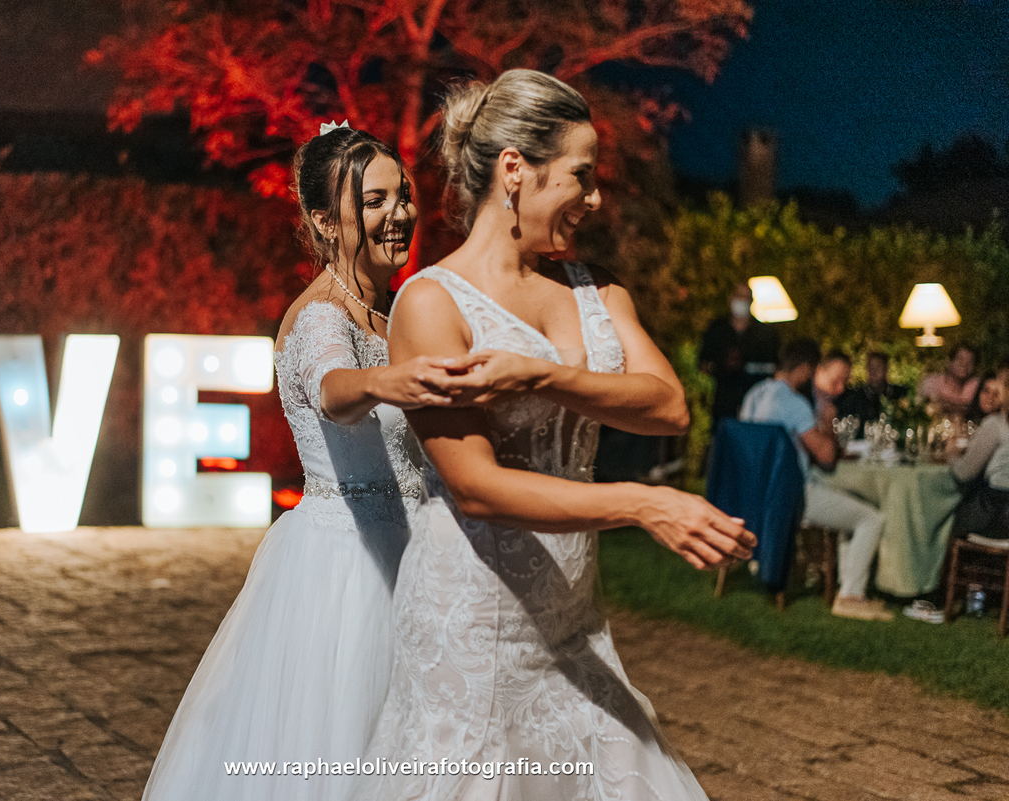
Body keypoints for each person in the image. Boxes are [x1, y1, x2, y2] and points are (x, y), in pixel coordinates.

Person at [359, 69, 755, 801]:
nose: (596, 197)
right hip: (471, 620)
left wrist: (539, 375)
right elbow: (476, 487)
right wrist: (643, 503)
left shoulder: (596, 289)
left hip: (573, 618)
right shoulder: (429, 303)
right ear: (516, 169)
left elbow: (668, 407)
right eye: (582, 175)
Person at [142, 125, 467, 800]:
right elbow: (333, 389)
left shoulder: (387, 314)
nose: (401, 212)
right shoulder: (324, 315)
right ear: (324, 220)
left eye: (403, 195)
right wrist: (387, 383)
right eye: (374, 200)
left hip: (411, 555)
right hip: (347, 563)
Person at [741, 339, 891, 621]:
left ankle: (845, 587)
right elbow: (826, 457)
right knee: (871, 518)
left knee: (851, 506)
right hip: (789, 497)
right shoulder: (794, 403)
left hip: (754, 493)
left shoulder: (754, 395)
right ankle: (850, 596)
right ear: (805, 369)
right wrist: (827, 422)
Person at [698, 281, 780, 431]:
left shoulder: (765, 334)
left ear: (752, 301)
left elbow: (774, 368)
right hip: (723, 403)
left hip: (756, 404)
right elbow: (703, 363)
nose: (742, 301)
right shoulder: (716, 329)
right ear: (731, 298)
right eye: (738, 296)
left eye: (746, 297)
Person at [948, 371, 1009, 540]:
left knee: (939, 514)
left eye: (1000, 385)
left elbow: (964, 473)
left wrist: (951, 454)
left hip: (995, 515)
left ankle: (937, 566)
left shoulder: (996, 424)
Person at [835, 350, 907, 429]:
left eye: (878, 368)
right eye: (870, 368)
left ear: (886, 369)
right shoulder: (855, 397)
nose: (873, 372)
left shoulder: (899, 394)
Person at [920, 344, 979, 416]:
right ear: (949, 362)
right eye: (960, 359)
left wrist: (944, 401)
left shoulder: (975, 385)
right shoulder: (933, 381)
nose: (964, 364)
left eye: (970, 361)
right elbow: (929, 405)